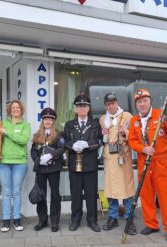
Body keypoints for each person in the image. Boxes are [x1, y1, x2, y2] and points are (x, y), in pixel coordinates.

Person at [128, 89, 167, 243]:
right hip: (143, 161)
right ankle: (151, 224)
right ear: (136, 104)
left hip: (160, 162)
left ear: (150, 101)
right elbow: (131, 140)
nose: (142, 104)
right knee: (146, 195)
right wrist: (142, 148)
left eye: (144, 101)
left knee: (165, 196)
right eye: (139, 102)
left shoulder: (160, 115)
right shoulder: (134, 120)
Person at [64, 94, 102, 232]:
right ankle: (75, 220)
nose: (82, 108)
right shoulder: (69, 125)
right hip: (74, 165)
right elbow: (65, 141)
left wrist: (87, 144)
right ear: (75, 109)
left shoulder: (95, 124)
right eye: (79, 106)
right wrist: (71, 146)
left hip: (90, 165)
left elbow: (99, 141)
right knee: (76, 195)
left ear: (88, 108)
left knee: (91, 195)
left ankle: (92, 221)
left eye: (84, 106)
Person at [100, 92, 136, 234]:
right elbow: (102, 139)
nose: (111, 106)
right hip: (109, 157)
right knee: (110, 188)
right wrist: (102, 134)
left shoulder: (127, 116)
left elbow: (135, 135)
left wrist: (125, 131)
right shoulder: (103, 119)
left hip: (123, 157)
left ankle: (129, 218)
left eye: (113, 103)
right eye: (108, 104)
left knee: (127, 188)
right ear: (105, 105)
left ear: (117, 103)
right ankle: (113, 217)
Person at [0, 100, 31, 232]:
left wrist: (8, 133)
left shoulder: (25, 125)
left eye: (18, 107)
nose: (15, 109)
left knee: (16, 192)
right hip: (4, 162)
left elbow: (23, 140)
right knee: (6, 192)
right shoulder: (2, 124)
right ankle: (6, 220)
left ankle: (17, 219)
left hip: (20, 163)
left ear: (21, 110)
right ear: (9, 110)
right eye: (13, 107)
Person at [30, 108, 65, 232]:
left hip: (54, 168)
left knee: (55, 195)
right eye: (45, 119)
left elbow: (61, 148)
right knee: (41, 195)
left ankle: (55, 222)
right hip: (41, 169)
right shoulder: (37, 135)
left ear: (53, 121)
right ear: (42, 120)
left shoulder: (59, 135)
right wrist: (38, 160)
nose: (48, 121)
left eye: (50, 119)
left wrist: (51, 155)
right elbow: (33, 151)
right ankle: (42, 220)